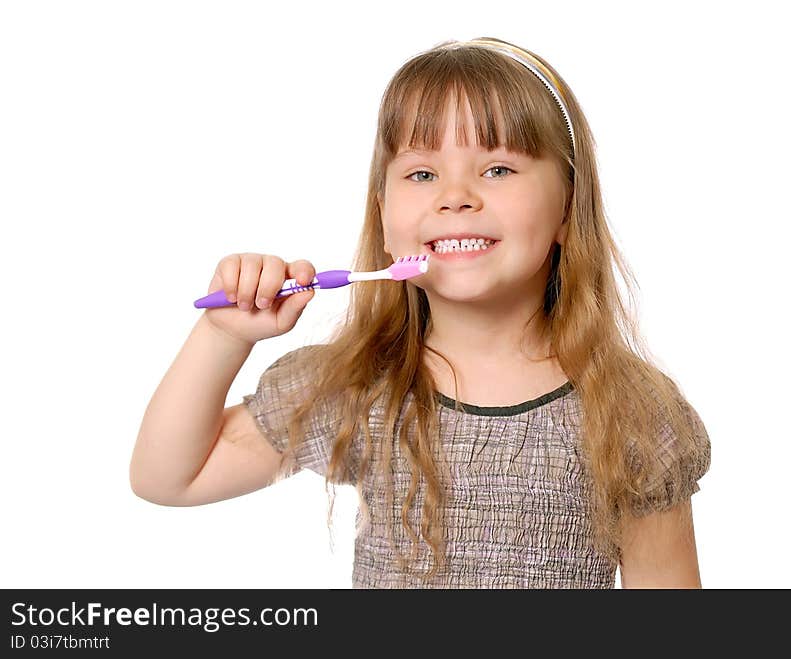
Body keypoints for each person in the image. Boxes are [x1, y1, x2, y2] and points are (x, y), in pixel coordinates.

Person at [130, 37, 711, 589]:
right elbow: (170, 478)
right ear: (385, 219)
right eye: (422, 173)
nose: (454, 196)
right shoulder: (357, 385)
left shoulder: (632, 412)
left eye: (498, 169)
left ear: (567, 209)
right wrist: (222, 335)